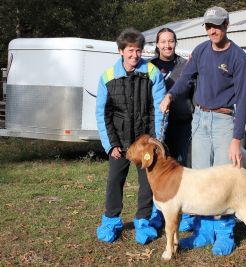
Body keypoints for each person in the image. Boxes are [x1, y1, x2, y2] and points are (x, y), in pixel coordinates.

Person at [160, 6, 246, 256]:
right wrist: (171, 94)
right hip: (200, 119)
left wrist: (237, 138)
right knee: (202, 179)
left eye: (217, 25)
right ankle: (204, 232)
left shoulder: (238, 57)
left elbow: (244, 100)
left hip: (225, 121)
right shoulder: (201, 51)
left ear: (227, 25)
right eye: (208, 26)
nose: (212, 30)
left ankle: (225, 234)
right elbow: (185, 78)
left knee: (225, 180)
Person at [96, 27, 166, 245]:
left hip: (145, 145)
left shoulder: (153, 73)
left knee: (147, 184)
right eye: (130, 51)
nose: (135, 55)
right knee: (114, 181)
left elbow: (159, 110)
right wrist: (111, 145)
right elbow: (103, 113)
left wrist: (155, 142)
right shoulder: (107, 76)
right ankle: (111, 221)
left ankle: (143, 221)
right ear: (120, 51)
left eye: (138, 51)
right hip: (120, 144)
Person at [150, 28, 195, 232]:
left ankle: (183, 213)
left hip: (181, 124)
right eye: (163, 42)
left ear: (176, 43)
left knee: (180, 168)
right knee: (156, 171)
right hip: (158, 127)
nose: (167, 45)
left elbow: (195, 91)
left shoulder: (186, 65)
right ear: (157, 44)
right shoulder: (149, 67)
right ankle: (157, 213)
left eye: (171, 41)